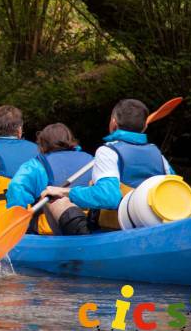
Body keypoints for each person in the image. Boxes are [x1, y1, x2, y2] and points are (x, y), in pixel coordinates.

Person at [41, 99, 175, 233]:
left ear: (113, 123)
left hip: (113, 232)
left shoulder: (108, 152)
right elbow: (174, 191)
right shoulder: (159, 156)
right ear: (144, 127)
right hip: (152, 226)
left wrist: (64, 192)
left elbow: (109, 197)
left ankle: (64, 248)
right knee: (92, 183)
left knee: (52, 198)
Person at [6, 123, 93, 235]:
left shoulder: (35, 165)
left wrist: (16, 224)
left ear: (42, 143)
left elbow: (16, 187)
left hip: (51, 230)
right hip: (89, 226)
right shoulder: (90, 161)